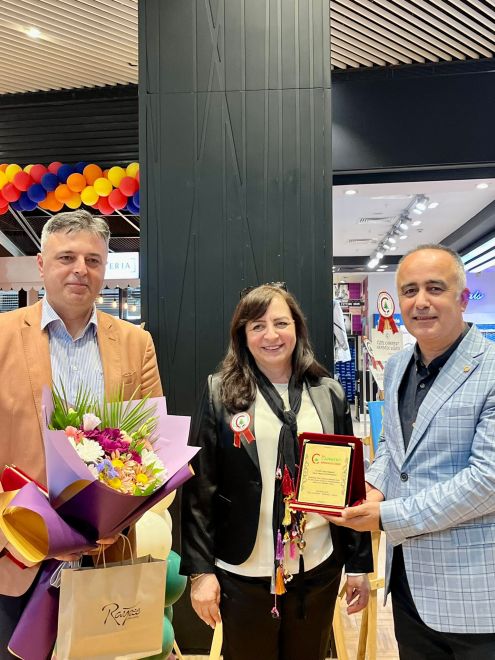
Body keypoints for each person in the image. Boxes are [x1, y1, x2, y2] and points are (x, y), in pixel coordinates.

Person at [0, 209, 163, 658]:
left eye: (93, 260)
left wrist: (119, 520)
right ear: (41, 264)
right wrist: (21, 529)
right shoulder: (3, 336)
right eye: (66, 257)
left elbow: (153, 448)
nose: (80, 270)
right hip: (18, 555)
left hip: (105, 555)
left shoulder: (135, 344)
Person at [180, 283, 372, 660]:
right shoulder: (220, 393)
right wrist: (201, 573)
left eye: (281, 323)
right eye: (257, 326)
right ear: (243, 335)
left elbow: (351, 487)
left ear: (297, 327)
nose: (271, 335)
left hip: (317, 564)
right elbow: (200, 490)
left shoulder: (327, 392)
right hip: (243, 569)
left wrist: (358, 564)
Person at [333, 244, 495, 658]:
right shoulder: (398, 365)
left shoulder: (491, 367)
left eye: (434, 288)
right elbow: (393, 448)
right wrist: (371, 488)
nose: (420, 301)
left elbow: (487, 481)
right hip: (408, 587)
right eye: (409, 290)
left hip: (477, 593)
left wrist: (387, 515)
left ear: (462, 298)